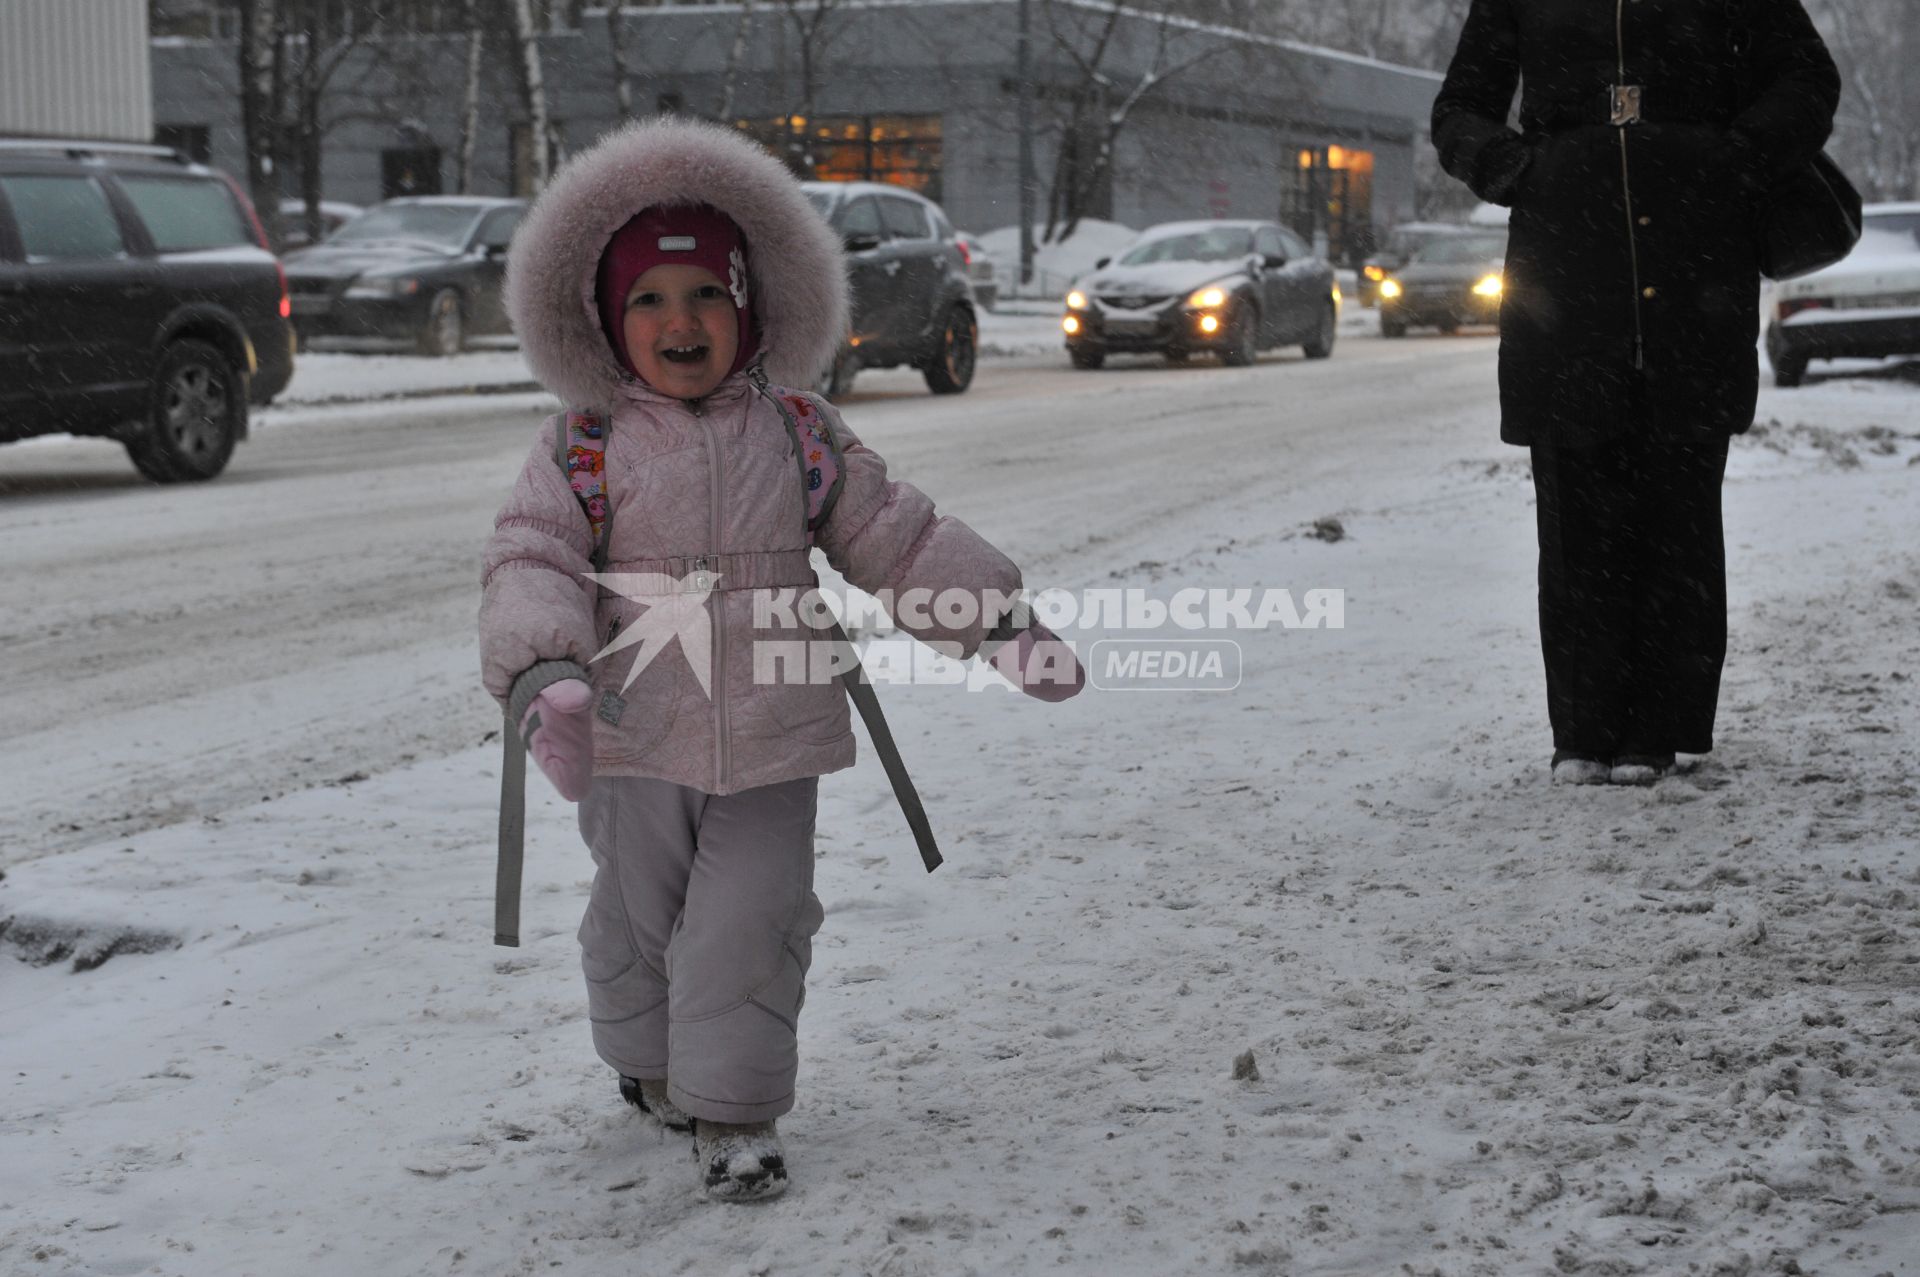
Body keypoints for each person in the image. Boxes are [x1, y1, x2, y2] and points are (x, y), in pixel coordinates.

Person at [477, 118, 1083, 1201]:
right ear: (607, 323)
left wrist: (1001, 625)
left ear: (752, 307)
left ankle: (736, 1109)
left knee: (753, 916)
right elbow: (532, 550)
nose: (681, 320)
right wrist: (546, 668)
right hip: (630, 724)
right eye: (650, 301)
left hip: (776, 725)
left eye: (709, 294)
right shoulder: (582, 443)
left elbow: (894, 534)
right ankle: (647, 1060)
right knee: (637, 914)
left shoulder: (799, 433)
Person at [1431, 0, 1839, 785]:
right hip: (1565, 271)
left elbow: (1807, 77)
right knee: (1576, 503)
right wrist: (1514, 168)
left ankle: (1662, 726)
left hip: (1694, 263)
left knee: (1679, 504)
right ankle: (1583, 731)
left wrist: (1738, 155)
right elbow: (1459, 108)